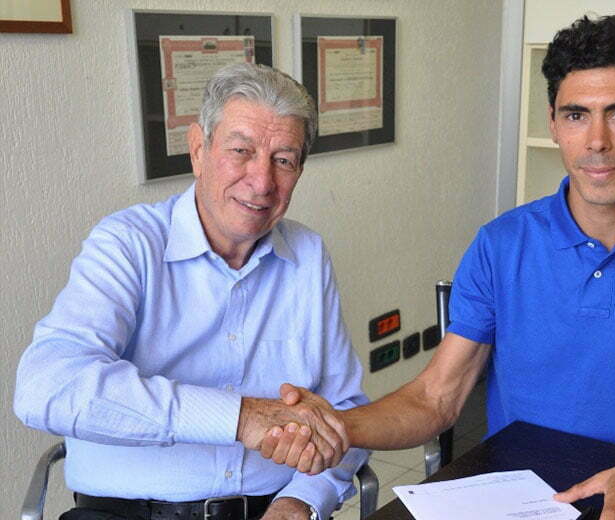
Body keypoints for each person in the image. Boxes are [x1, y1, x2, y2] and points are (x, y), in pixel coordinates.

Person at [264, 15, 615, 520]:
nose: (597, 141)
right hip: (514, 503)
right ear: (553, 122)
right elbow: (435, 398)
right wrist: (336, 425)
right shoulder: (501, 245)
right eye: (576, 115)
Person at [14, 63, 367, 520]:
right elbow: (47, 386)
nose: (262, 181)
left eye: (283, 159)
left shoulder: (308, 255)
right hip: (128, 514)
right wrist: (240, 417)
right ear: (199, 150)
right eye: (241, 151)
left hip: (272, 510)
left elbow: (344, 413)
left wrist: (301, 500)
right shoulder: (128, 244)